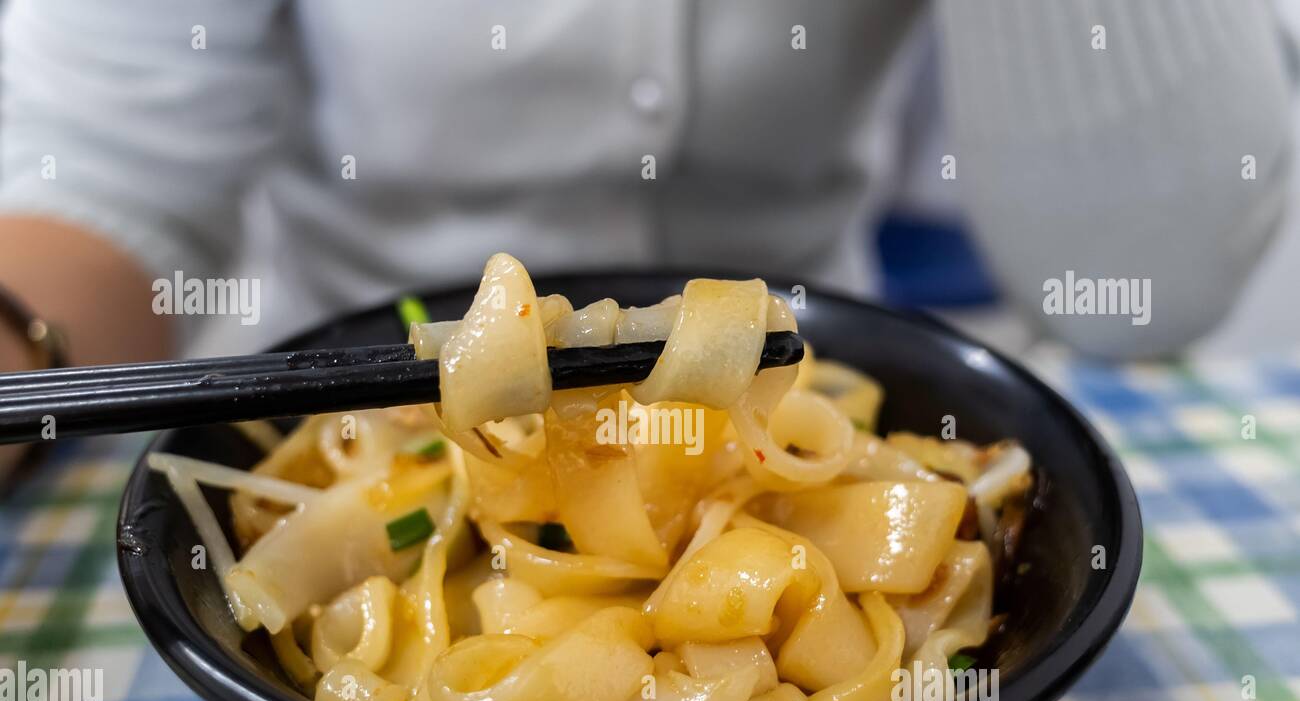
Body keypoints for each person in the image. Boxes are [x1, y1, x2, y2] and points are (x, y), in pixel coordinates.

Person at [0, 1, 1292, 388]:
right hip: (370, 402)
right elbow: (112, 169)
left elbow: (1146, 284)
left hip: (815, 387)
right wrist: (19, 362)